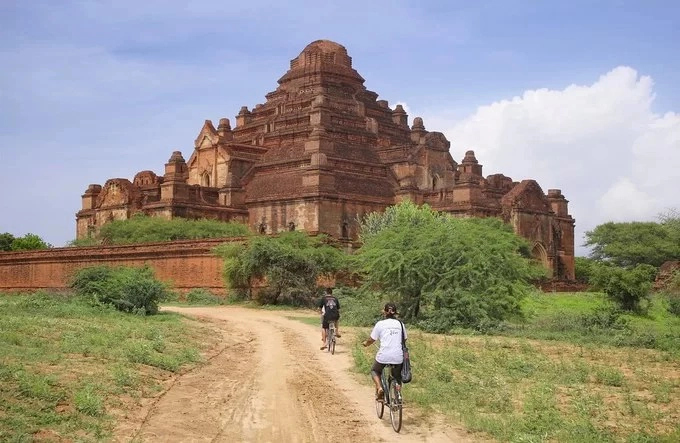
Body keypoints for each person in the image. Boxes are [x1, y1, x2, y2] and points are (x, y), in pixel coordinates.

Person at [362, 302, 406, 400]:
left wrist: (366, 343)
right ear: (395, 313)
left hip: (384, 355)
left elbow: (371, 339)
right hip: (398, 356)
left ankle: (379, 387)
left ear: (384, 312)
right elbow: (404, 339)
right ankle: (398, 394)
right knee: (397, 376)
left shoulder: (380, 324)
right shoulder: (401, 324)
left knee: (375, 370)